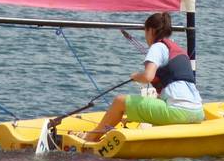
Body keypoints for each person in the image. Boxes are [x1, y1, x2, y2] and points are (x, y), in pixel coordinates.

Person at [83, 12, 204, 142]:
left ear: (151, 30)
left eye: (145, 32)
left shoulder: (157, 47)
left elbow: (148, 77)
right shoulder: (178, 50)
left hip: (177, 111)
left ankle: (89, 138)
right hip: (197, 112)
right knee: (146, 105)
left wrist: (136, 76)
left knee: (119, 101)